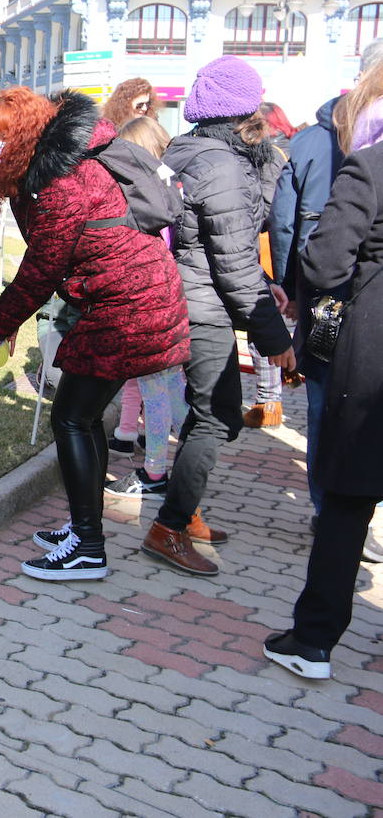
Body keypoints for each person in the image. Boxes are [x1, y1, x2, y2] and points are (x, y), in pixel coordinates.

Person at [0, 87, 189, 581]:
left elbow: (40, 269)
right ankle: (85, 528)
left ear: (27, 136)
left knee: (73, 419)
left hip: (128, 307)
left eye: (1, 139)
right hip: (131, 298)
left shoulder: (63, 181)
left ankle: (87, 547)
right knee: (81, 416)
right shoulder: (59, 164)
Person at [151, 56, 295, 577]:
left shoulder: (184, 149)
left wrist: (269, 289)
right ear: (243, 109)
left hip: (183, 296)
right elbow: (234, 262)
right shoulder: (224, 166)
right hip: (203, 307)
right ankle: (167, 527)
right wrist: (274, 338)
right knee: (219, 416)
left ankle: (185, 512)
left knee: (208, 411)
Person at [263, 95, 383, 680]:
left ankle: (312, 641)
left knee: (344, 494)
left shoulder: (369, 166)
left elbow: (326, 266)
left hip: (363, 345)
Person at [268, 39, 383, 547]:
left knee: (322, 401)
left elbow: (289, 226)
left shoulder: (313, 142)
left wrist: (294, 290)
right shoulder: (321, 143)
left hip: (331, 300)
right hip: (339, 299)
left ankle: (327, 506)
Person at [103, 116, 189, 497]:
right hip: (172, 307)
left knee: (158, 395)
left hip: (152, 310)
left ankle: (156, 473)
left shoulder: (149, 201)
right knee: (171, 390)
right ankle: (191, 458)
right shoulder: (173, 189)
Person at [243, 103, 296, 428]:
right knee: (274, 324)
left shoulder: (267, 155)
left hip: (263, 249)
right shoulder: (288, 152)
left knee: (261, 328)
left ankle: (269, 402)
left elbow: (268, 211)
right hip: (277, 252)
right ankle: (274, 395)